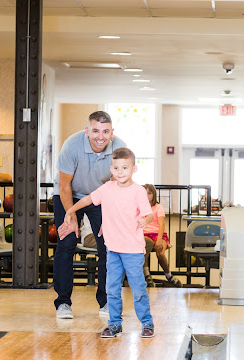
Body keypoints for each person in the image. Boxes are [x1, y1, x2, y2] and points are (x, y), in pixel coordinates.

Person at [59, 148, 155, 338]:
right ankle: (114, 324)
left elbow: (149, 213)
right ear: (111, 168)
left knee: (138, 289)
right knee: (111, 289)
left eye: (125, 168)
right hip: (113, 249)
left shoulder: (138, 191)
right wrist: (70, 211)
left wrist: (146, 220)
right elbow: (87, 199)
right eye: (117, 167)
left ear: (134, 169)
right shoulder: (106, 189)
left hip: (133, 250)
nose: (120, 172)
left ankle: (147, 323)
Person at [52, 111, 126, 319]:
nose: (100, 137)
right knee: (67, 242)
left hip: (100, 196)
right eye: (95, 131)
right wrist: (71, 215)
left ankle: (106, 302)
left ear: (112, 132)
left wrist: (110, 217)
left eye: (105, 132)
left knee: (108, 245)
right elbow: (65, 185)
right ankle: (63, 303)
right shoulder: (72, 145)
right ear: (87, 131)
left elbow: (116, 186)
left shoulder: (119, 149)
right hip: (69, 195)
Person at [142, 183, 182, 288]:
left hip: (159, 234)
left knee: (160, 253)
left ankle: (169, 275)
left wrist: (159, 239)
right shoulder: (139, 208)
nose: (147, 196)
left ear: (153, 195)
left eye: (149, 193)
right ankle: (147, 276)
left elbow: (161, 224)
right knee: (142, 248)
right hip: (145, 235)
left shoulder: (158, 207)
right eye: (144, 193)